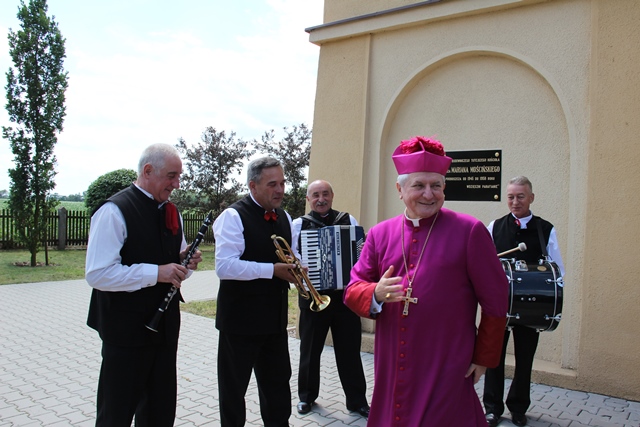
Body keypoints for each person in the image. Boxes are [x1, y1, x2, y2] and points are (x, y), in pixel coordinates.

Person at [343, 135, 509, 427]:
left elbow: (496, 298)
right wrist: (375, 293)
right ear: (400, 189)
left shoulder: (469, 230)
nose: (429, 194)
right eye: (419, 185)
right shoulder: (380, 234)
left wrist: (484, 356)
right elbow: (353, 289)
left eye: (437, 186)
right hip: (393, 360)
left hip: (446, 360)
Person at [85, 143, 202, 427]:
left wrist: (183, 262)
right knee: (116, 414)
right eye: (171, 176)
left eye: (179, 176)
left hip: (164, 330)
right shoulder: (114, 211)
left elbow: (172, 268)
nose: (177, 184)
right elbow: (98, 274)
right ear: (148, 171)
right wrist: (157, 273)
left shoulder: (172, 211)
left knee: (159, 413)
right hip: (125, 331)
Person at [213, 156, 297, 427]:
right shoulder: (232, 216)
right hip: (239, 322)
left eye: (282, 183)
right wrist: (272, 270)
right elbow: (225, 266)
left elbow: (291, 256)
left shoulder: (285, 217)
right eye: (272, 184)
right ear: (253, 186)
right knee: (233, 391)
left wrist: (297, 269)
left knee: (278, 389)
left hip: (274, 320)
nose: (280, 189)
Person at [483, 176, 565, 427]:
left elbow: (557, 270)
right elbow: (484, 264)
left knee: (525, 357)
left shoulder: (545, 229)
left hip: (531, 305)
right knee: (494, 357)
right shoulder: (495, 226)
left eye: (520, 196)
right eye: (510, 197)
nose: (515, 201)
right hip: (500, 304)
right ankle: (492, 408)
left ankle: (518, 408)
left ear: (531, 198)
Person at [292, 180, 370, 418]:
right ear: (308, 199)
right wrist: (304, 269)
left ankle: (357, 401)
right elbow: (293, 254)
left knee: (350, 350)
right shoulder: (299, 224)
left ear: (332, 196)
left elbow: (361, 252)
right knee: (310, 350)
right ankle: (306, 397)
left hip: (345, 298)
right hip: (313, 297)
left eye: (325, 194)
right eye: (315, 195)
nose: (321, 199)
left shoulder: (348, 220)